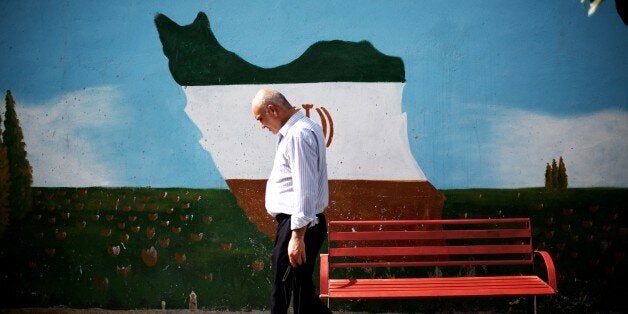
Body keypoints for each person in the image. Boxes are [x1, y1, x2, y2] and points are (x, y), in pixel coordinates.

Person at [251, 88, 332, 314]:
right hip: (301, 222)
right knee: (302, 292)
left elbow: (304, 188)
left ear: (272, 109)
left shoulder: (298, 134)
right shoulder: (304, 129)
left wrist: (297, 236)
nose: (261, 125)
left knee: (282, 290)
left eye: (261, 119)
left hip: (298, 224)